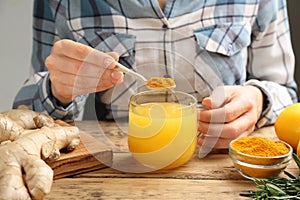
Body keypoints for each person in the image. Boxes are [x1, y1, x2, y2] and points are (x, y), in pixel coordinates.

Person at [13, 0, 298, 150]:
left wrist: (259, 99)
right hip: (125, 168)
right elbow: (27, 115)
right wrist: (58, 90)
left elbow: (285, 89)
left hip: (220, 164)